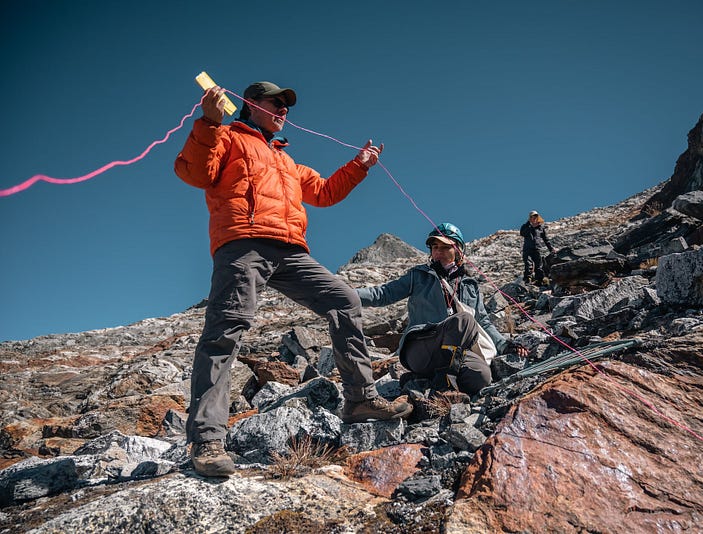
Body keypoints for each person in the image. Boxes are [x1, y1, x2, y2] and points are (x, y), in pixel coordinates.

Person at [174, 81, 412, 477]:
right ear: (251, 104)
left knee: (344, 299)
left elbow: (324, 192)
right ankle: (207, 438)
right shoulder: (226, 136)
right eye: (275, 103)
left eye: (286, 106)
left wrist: (360, 165)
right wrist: (209, 122)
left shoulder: (287, 161)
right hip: (243, 244)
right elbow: (195, 172)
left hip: (291, 251)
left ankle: (360, 399)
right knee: (225, 330)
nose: (283, 110)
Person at [357, 223, 529, 398]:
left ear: (458, 250)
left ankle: (422, 380)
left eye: (445, 247)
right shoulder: (418, 276)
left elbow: (483, 321)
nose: (438, 251)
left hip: (454, 354)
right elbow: (383, 294)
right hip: (421, 346)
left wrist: (505, 344)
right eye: (434, 247)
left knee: (481, 377)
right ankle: (444, 385)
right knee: (464, 320)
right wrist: (346, 294)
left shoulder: (469, 285)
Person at [519, 210, 555, 285]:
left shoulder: (540, 228)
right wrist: (530, 226)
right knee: (528, 264)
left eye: (536, 216)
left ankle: (539, 281)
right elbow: (522, 233)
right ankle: (527, 280)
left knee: (539, 266)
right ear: (530, 218)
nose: (534, 218)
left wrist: (551, 249)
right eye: (532, 216)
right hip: (527, 249)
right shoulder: (525, 226)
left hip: (537, 249)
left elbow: (546, 239)